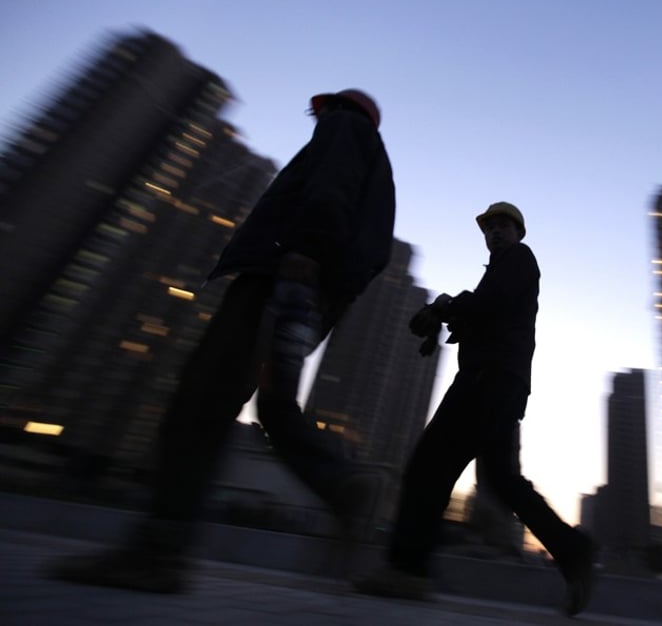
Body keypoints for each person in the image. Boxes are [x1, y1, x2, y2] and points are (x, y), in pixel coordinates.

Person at [49, 88, 396, 593]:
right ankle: (344, 485)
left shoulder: (345, 131)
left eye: (319, 112)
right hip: (312, 289)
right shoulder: (379, 167)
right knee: (273, 406)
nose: (315, 118)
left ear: (336, 110)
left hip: (280, 273)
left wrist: (304, 249)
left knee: (203, 395)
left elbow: (329, 186)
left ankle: (158, 552)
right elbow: (374, 252)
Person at [356, 202, 596, 617]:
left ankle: (407, 570)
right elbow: (488, 313)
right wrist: (449, 318)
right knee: (503, 481)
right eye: (489, 227)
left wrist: (447, 306)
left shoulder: (519, 259)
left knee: (429, 468)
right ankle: (575, 553)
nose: (495, 232)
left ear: (518, 230)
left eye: (503, 225)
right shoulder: (501, 270)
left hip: (487, 381)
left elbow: (491, 305)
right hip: (499, 383)